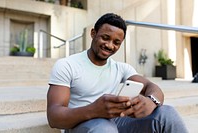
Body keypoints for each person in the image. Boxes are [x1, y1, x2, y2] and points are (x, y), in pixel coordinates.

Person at [47, 13, 188, 133]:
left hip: (115, 122)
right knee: (105, 128)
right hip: (81, 123)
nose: (109, 45)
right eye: (105, 38)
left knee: (167, 113)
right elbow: (54, 117)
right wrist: (94, 110)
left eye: (116, 42)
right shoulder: (67, 65)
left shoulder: (121, 68)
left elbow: (151, 87)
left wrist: (151, 102)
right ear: (93, 33)